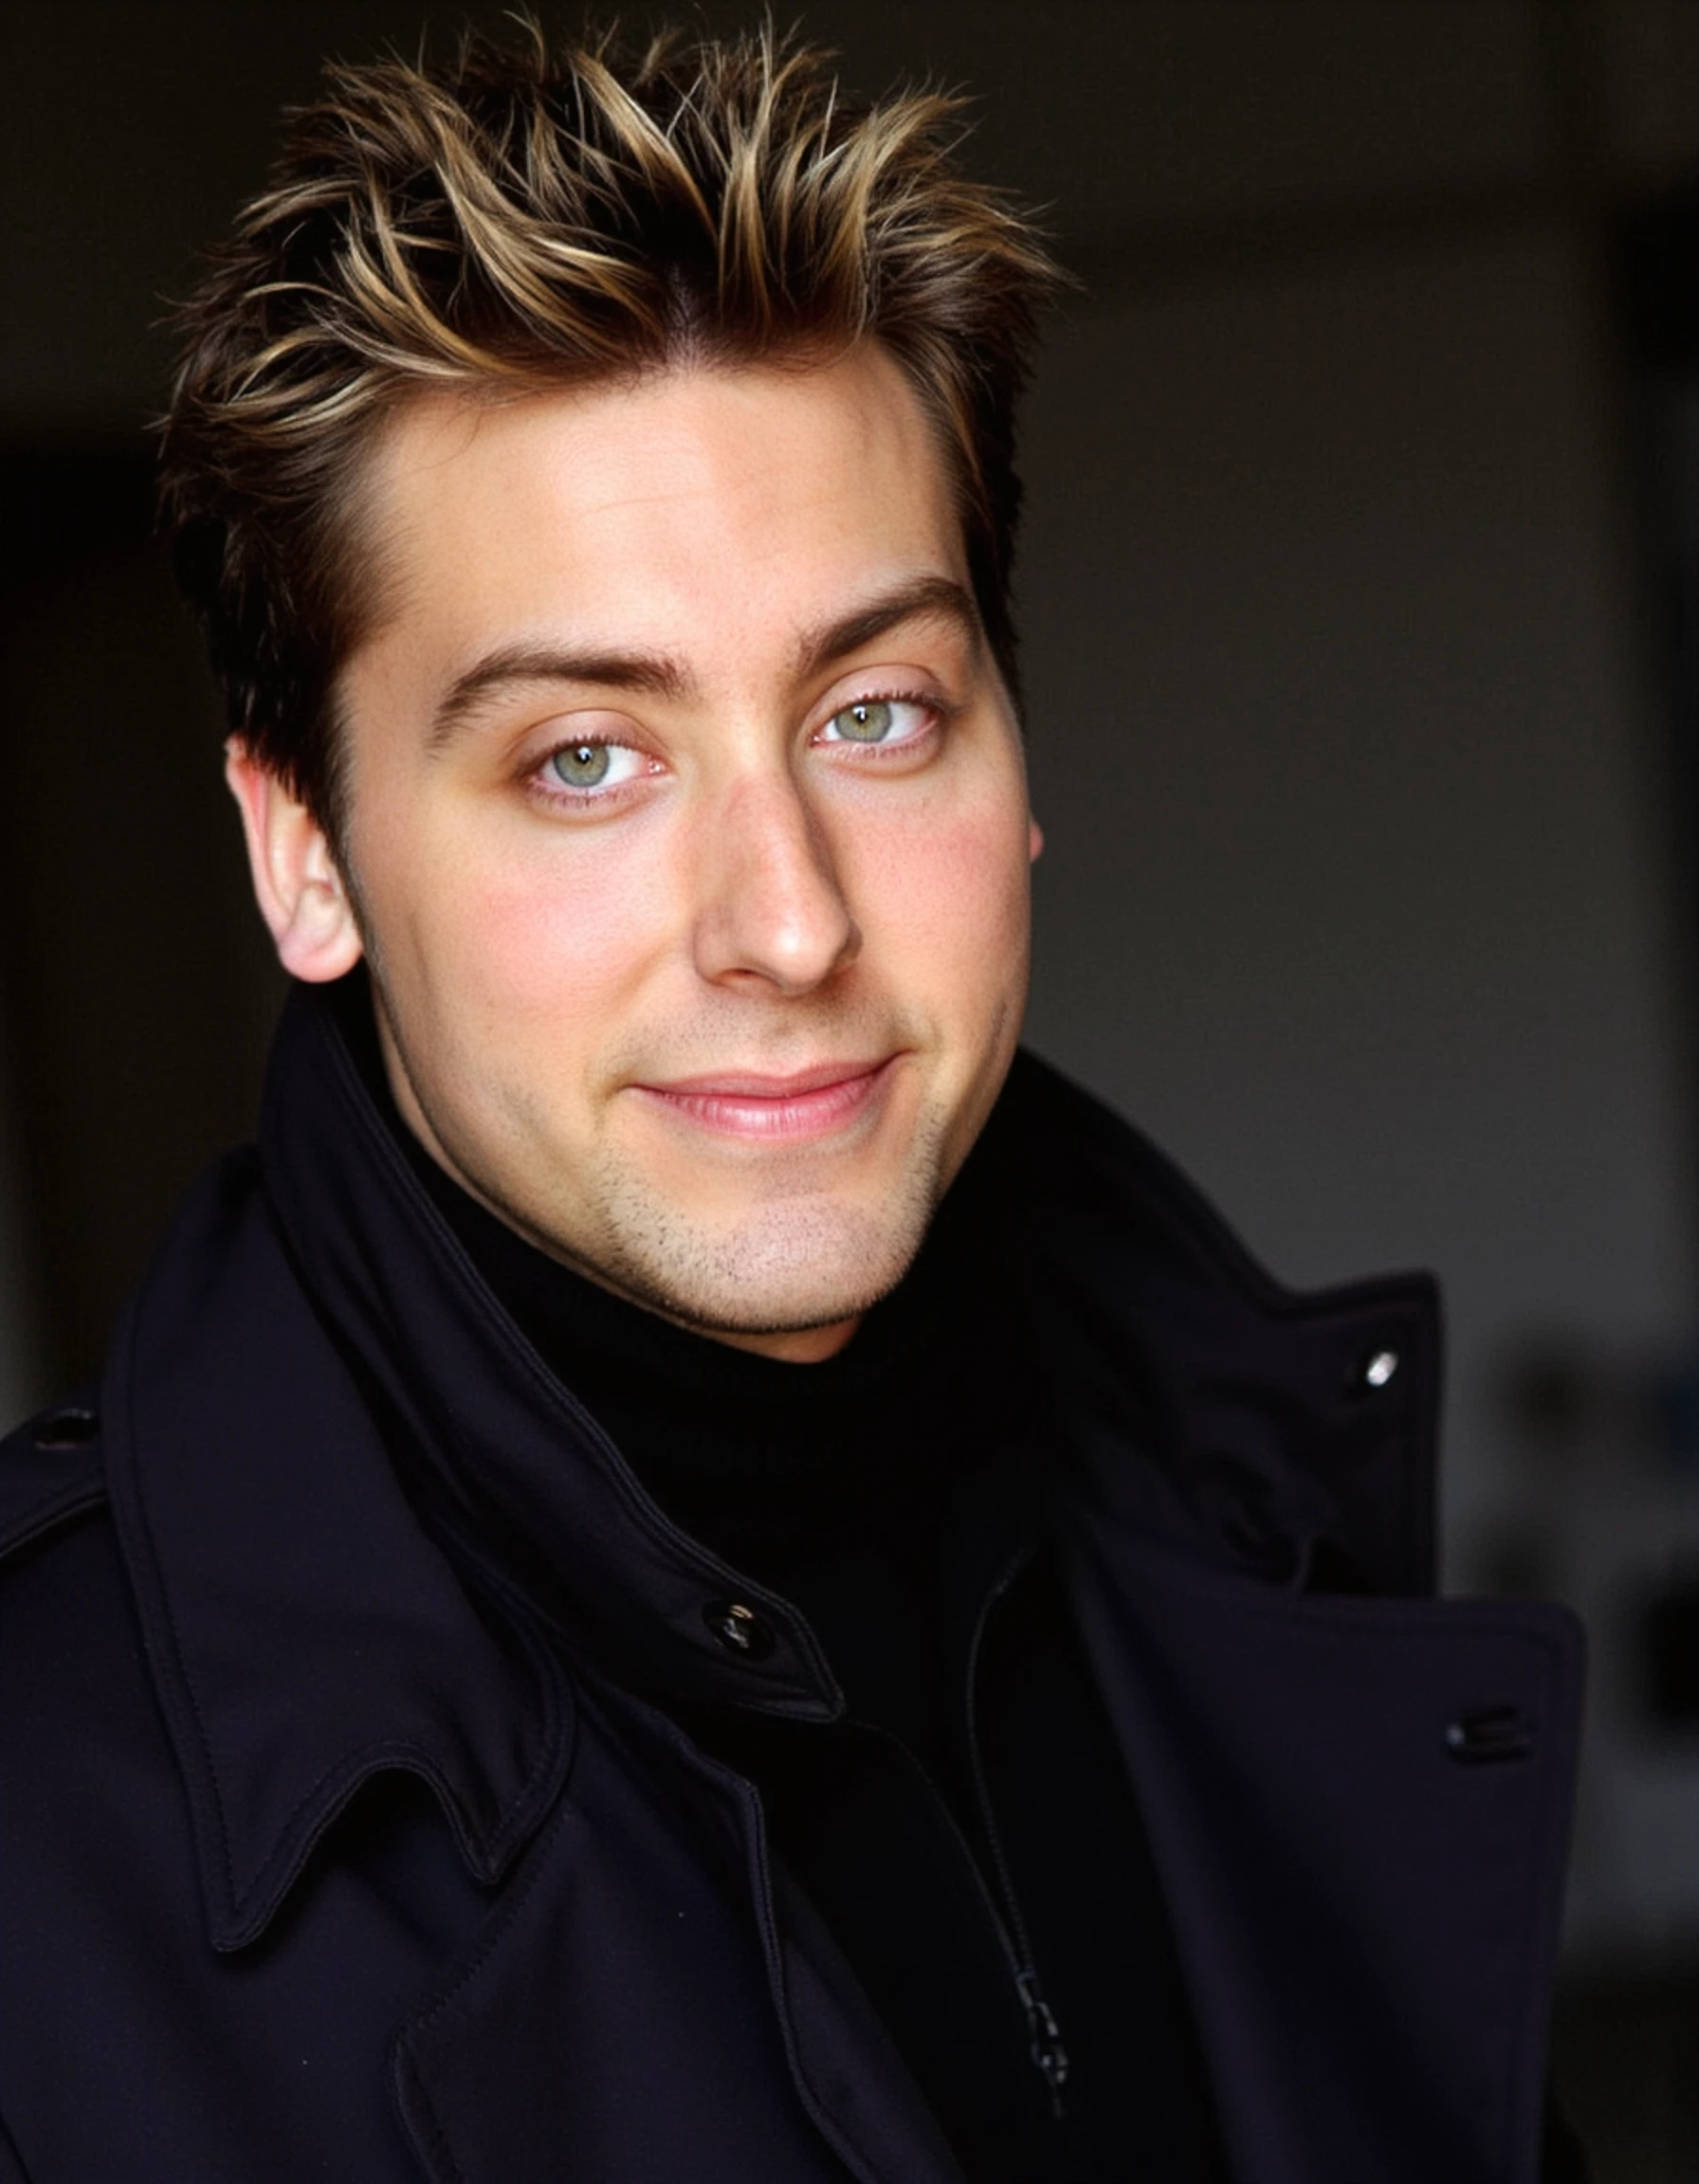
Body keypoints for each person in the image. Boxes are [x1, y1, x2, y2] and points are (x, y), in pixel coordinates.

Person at [0, 24, 1586, 2183]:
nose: (785, 922)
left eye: (872, 712)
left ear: (1011, 752)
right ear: (305, 856)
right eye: (584, 757)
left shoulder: (1249, 1524)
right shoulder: (38, 1811)